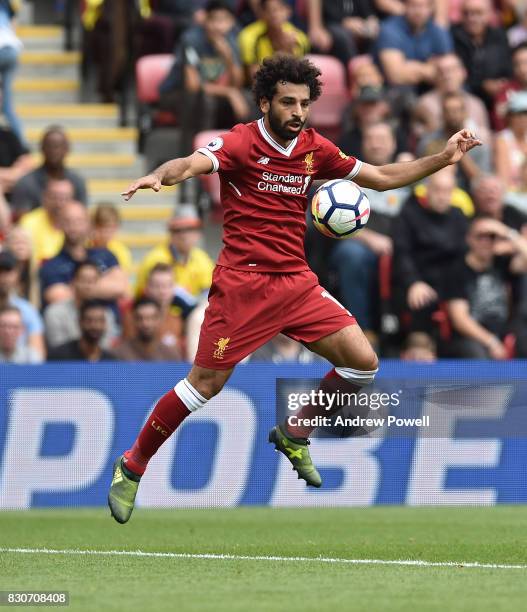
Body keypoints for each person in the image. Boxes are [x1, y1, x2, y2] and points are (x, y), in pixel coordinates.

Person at [108, 54, 481, 524]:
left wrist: (444, 159)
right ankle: (133, 464)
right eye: (287, 102)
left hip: (296, 283)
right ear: (265, 101)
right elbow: (191, 163)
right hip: (243, 285)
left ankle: (295, 431)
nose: (297, 112)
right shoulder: (242, 142)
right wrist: (158, 175)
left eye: (304, 103)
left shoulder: (314, 148)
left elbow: (383, 179)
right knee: (204, 385)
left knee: (363, 365)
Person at [331, 121, 411, 334]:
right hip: (363, 246)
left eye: (382, 140)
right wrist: (369, 238)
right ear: (362, 144)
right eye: (371, 140)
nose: (376, 145)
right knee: (350, 253)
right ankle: (362, 331)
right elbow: (332, 224)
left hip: (405, 246)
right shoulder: (349, 180)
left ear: (394, 144)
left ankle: (417, 337)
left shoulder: (410, 176)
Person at [159, 0, 249, 167]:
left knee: (251, 100)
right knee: (202, 101)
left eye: (224, 21)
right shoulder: (191, 40)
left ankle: (245, 160)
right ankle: (191, 162)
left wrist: (228, 56)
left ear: (231, 23)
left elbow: (237, 84)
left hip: (212, 93)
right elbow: (193, 85)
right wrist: (229, 93)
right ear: (205, 21)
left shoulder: (233, 40)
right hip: (176, 93)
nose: (218, 26)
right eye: (214, 20)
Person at [392, 168, 469, 334]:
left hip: (452, 284)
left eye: (448, 191)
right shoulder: (410, 212)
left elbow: (466, 253)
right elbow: (401, 252)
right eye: (438, 190)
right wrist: (413, 282)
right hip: (420, 281)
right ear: (427, 189)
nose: (442, 196)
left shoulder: (458, 215)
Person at [446, 217, 527, 358]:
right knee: (476, 355)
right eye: (480, 236)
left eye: (491, 237)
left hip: (505, 331)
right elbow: (460, 319)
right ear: (469, 239)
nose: (485, 242)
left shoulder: (502, 263)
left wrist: (506, 232)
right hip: (472, 336)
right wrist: (491, 341)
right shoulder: (456, 271)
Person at [39, 201, 129, 308]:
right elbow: (57, 297)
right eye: (68, 221)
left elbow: (120, 287)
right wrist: (103, 286)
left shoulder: (106, 255)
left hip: (108, 322)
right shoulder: (51, 266)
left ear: (88, 224)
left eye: (79, 221)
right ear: (60, 224)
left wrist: (75, 289)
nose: (74, 227)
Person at [135, 204, 214, 315]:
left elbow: (210, 294)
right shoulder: (156, 258)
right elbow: (148, 296)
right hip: (157, 317)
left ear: (198, 233)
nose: (184, 235)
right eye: (178, 230)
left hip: (190, 316)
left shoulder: (202, 259)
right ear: (171, 233)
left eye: (190, 229)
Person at [418, 92, 491, 192]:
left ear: (465, 113)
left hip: (467, 195)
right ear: (442, 114)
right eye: (448, 111)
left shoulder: (477, 144)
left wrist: (461, 151)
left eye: (457, 110)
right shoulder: (429, 141)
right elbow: (421, 175)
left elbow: (481, 181)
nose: (453, 115)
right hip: (435, 193)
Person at [10, 127, 88, 215]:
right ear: (42, 148)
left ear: (67, 149)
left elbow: (82, 216)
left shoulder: (77, 181)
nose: (54, 151)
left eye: (58, 146)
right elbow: (20, 218)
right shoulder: (26, 182)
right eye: (49, 146)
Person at [376, 0, 452, 89]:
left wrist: (410, 67)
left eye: (423, 6)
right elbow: (396, 76)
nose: (418, 12)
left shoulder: (438, 31)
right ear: (405, 6)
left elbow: (449, 70)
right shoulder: (389, 29)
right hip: (395, 90)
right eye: (414, 6)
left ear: (431, 8)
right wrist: (428, 69)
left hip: (432, 88)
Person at [44, 261, 119, 350]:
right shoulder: (55, 312)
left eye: (93, 281)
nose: (88, 286)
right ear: (73, 282)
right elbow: (58, 348)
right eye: (84, 280)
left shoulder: (106, 314)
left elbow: (107, 347)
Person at [413, 52, 490, 138]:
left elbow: (487, 140)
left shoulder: (476, 105)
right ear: (435, 76)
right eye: (441, 72)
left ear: (463, 72)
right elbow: (419, 138)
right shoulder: (425, 104)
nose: (447, 76)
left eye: (451, 70)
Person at [451, 0, 512, 108]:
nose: (471, 18)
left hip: (498, 94)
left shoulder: (499, 36)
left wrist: (502, 83)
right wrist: (482, 84)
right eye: (466, 13)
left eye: (477, 13)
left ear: (489, 14)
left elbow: (508, 67)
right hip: (465, 95)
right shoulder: (453, 36)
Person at [239, 0, 309, 82]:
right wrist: (281, 54)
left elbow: (298, 74)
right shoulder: (248, 36)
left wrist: (289, 51)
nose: (275, 15)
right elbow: (254, 77)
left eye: (279, 9)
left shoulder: (299, 38)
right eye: (270, 10)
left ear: (288, 11)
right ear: (261, 13)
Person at [123, 263, 184, 352]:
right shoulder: (132, 318)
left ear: (174, 288)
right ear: (147, 288)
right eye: (157, 286)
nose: (162, 291)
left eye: (167, 286)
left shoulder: (177, 321)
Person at [0, 250, 45, 359]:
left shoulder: (28, 311)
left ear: (16, 275)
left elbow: (38, 357)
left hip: (21, 371)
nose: (3, 277)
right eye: (0, 272)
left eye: (8, 271)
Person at [19, 179, 74, 265]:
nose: (59, 203)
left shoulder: (78, 223)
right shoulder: (29, 222)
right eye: (54, 197)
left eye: (64, 198)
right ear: (44, 197)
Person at [113, 297, 182, 361]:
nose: (146, 324)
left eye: (152, 318)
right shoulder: (119, 355)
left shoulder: (170, 355)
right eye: (140, 318)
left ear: (159, 320)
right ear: (133, 320)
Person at [47, 299, 116, 362]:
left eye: (100, 320)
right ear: (80, 322)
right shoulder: (59, 357)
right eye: (89, 320)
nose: (95, 326)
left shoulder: (111, 361)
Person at [0, 0, 23, 142]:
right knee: (7, 106)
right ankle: (22, 147)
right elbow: (13, 22)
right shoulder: (4, 3)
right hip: (13, 49)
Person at [495, 92, 527, 191]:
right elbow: (503, 178)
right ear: (510, 117)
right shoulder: (502, 140)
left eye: (525, 114)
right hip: (511, 194)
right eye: (519, 114)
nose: (523, 119)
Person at [90, 203, 133, 274]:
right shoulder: (85, 247)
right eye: (104, 227)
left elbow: (121, 279)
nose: (108, 232)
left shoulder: (120, 252)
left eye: (112, 227)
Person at [493, 42, 527, 131]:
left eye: (525, 62)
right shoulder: (506, 92)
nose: (522, 69)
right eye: (517, 64)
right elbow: (499, 124)